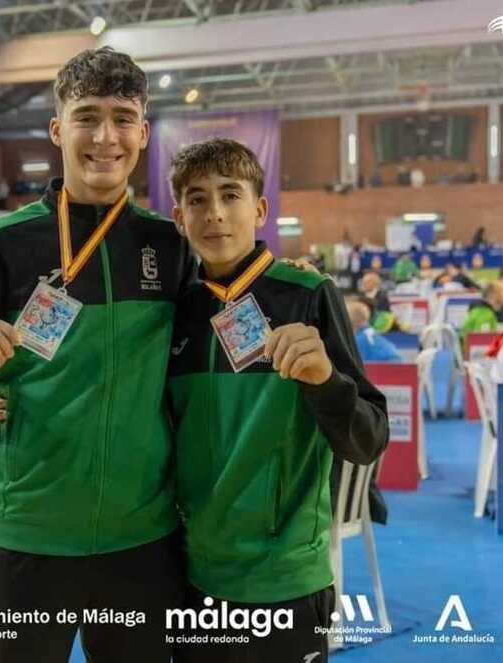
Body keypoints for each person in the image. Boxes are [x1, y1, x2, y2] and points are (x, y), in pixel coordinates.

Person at [0, 47, 193, 663]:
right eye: (87, 116)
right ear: (58, 129)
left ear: (143, 134)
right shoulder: (2, 243)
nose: (104, 136)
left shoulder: (172, 247)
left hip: (141, 538)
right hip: (27, 536)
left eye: (122, 118)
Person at [164, 139, 388, 661]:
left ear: (260, 209)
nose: (214, 213)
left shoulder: (307, 296)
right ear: (179, 217)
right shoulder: (175, 313)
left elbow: (369, 438)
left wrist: (325, 380)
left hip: (285, 580)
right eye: (197, 199)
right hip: (193, 575)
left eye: (230, 195)